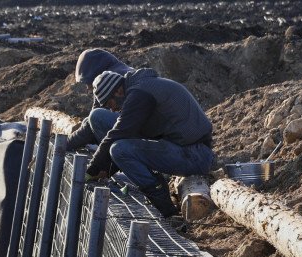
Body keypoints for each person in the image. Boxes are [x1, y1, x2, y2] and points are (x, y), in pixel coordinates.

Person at [66, 68, 214, 218]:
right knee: (101, 120)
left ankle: (165, 208)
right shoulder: (139, 88)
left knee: (119, 150)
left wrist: (92, 170)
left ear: (118, 91)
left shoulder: (139, 95)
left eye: (110, 103)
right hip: (186, 148)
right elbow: (125, 133)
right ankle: (138, 179)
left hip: (194, 155)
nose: (112, 110)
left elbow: (119, 134)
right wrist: (106, 169)